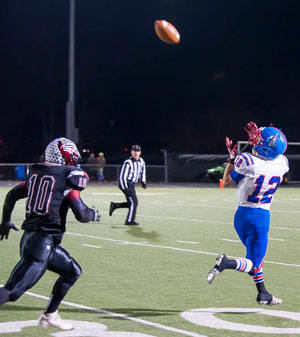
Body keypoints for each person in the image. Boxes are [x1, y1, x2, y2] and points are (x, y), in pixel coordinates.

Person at [0, 137, 100, 330]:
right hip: (41, 241)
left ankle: (50, 316)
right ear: (66, 158)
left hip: (35, 239)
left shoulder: (37, 173)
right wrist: (93, 214)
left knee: (72, 272)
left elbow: (12, 195)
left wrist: (6, 221)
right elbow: (81, 213)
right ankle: (49, 315)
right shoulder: (66, 178)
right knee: (12, 292)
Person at [207, 122, 289, 306]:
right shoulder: (282, 164)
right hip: (260, 218)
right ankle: (226, 263)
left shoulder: (248, 162)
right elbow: (268, 156)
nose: (254, 139)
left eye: (259, 139)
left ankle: (263, 294)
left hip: (241, 216)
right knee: (254, 262)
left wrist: (231, 158)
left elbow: (226, 181)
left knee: (255, 260)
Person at [109, 145, 146, 226]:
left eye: (137, 151)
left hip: (132, 184)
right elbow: (122, 177)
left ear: (140, 152)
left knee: (132, 202)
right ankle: (129, 221)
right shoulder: (127, 163)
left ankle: (115, 205)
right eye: (134, 151)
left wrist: (143, 181)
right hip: (125, 183)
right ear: (131, 152)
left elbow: (142, 171)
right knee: (134, 202)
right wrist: (125, 188)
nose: (136, 153)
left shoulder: (141, 161)